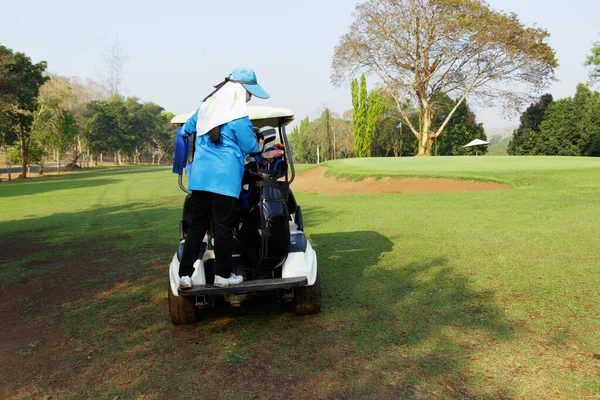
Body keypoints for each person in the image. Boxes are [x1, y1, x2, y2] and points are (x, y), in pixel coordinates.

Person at [178, 67, 270, 289]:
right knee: (222, 228)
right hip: (225, 181)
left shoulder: (204, 109)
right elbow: (249, 145)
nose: (249, 98)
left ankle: (185, 275)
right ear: (240, 92)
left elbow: (186, 129)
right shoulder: (238, 117)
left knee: (197, 228)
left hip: (199, 180)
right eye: (249, 93)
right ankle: (223, 275)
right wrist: (258, 147)